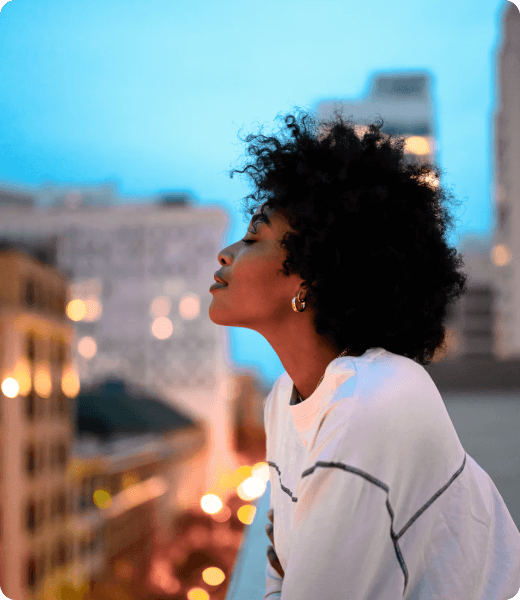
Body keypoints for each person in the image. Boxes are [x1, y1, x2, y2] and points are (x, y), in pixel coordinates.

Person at [209, 107, 520, 599]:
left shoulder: (371, 404)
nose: (226, 253)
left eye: (253, 237)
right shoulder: (284, 401)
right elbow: (280, 570)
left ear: (310, 278)